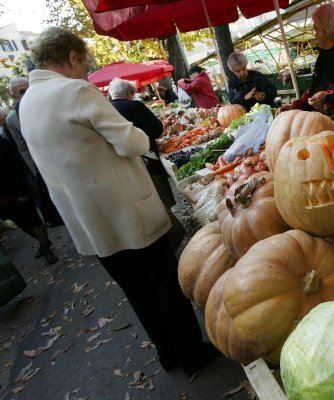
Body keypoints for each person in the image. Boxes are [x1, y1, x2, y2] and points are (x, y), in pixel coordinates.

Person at [19, 27, 216, 375]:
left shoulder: (28, 103)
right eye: (85, 64)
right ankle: (191, 353)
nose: (86, 73)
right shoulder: (75, 91)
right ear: (72, 57)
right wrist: (138, 133)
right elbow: (133, 143)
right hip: (127, 213)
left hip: (90, 223)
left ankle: (167, 353)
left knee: (137, 291)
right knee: (164, 284)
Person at [108, 77, 185, 252]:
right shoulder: (134, 106)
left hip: (126, 165)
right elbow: (157, 129)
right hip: (148, 159)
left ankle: (163, 239)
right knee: (160, 199)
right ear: (129, 93)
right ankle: (172, 237)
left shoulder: (108, 110)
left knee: (145, 203)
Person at [5, 77, 64, 229]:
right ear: (13, 96)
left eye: (29, 88)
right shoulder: (12, 119)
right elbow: (22, 147)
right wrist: (35, 169)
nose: (27, 93)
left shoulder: (47, 103)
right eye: (22, 91)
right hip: (43, 165)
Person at [0, 134, 57, 264]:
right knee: (21, 223)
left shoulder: (3, 143)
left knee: (33, 218)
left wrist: (23, 191)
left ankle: (47, 250)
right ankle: (43, 242)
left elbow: (17, 167)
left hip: (16, 188)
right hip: (3, 197)